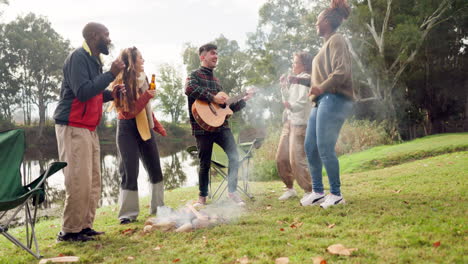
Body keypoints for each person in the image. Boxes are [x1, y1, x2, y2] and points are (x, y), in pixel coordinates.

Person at [53, 22, 125, 242]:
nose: (109, 39)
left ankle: (84, 226)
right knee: (77, 180)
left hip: (88, 127)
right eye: (106, 34)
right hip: (73, 125)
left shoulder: (94, 61)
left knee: (93, 181)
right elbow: (82, 92)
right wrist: (111, 75)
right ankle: (69, 231)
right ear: (94, 37)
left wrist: (110, 94)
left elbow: (93, 91)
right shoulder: (78, 57)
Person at [185, 43, 253, 206]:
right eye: (212, 53)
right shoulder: (194, 75)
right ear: (203, 57)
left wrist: (244, 100)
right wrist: (212, 98)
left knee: (234, 157)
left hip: (221, 127)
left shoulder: (216, 81)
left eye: (217, 54)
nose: (216, 56)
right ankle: (202, 198)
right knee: (205, 162)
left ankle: (232, 192)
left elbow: (227, 108)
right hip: (202, 127)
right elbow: (190, 89)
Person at [301, 0, 354, 209]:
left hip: (335, 98)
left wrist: (321, 87)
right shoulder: (325, 45)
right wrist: (306, 83)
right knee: (310, 147)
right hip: (321, 100)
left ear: (326, 21)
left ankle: (336, 194)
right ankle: (317, 192)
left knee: (324, 146)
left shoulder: (337, 39)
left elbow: (342, 72)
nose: (315, 23)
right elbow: (319, 79)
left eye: (317, 20)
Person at [110, 47, 166, 224]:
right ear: (132, 62)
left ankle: (159, 207)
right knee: (129, 170)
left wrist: (156, 125)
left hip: (145, 127)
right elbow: (128, 113)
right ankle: (128, 214)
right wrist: (146, 97)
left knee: (155, 167)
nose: (143, 61)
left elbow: (146, 109)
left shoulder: (144, 78)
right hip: (127, 128)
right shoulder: (120, 82)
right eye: (140, 58)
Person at [276, 52, 313, 201]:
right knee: (280, 158)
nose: (293, 65)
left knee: (296, 160)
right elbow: (288, 99)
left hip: (300, 125)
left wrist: (291, 106)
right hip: (289, 123)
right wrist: (283, 87)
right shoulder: (296, 80)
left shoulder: (306, 79)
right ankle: (290, 189)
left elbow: (303, 102)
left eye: (295, 62)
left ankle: (310, 191)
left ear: (304, 65)